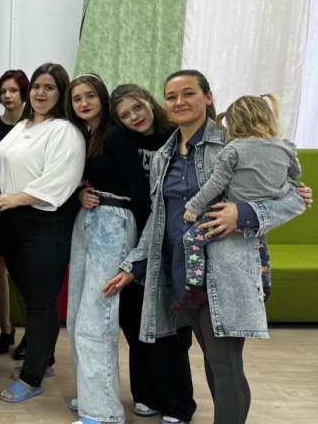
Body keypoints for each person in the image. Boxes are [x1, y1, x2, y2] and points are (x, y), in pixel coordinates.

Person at [104, 70, 309, 424]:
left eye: (189, 93)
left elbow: (295, 198)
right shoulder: (164, 154)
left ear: (208, 97)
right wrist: (134, 264)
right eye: (171, 96)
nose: (179, 102)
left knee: (224, 364)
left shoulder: (235, 142)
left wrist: (243, 213)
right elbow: (159, 217)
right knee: (214, 363)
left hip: (227, 271)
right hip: (182, 274)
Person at [0, 63, 86, 404]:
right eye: (37, 87)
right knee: (31, 298)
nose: (41, 93)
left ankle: (32, 378)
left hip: (43, 224)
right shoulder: (23, 125)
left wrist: (17, 198)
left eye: (50, 87)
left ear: (61, 93)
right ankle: (45, 361)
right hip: (12, 222)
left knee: (42, 303)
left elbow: (61, 180)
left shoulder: (65, 131)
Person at [64, 73, 149, 424]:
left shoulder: (116, 135)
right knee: (75, 315)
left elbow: (140, 192)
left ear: (102, 97)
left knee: (96, 318)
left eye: (90, 96)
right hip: (88, 220)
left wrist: (140, 251)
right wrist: (81, 193)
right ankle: (92, 393)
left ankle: (103, 413)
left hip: (114, 223)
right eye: (77, 98)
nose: (83, 103)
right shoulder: (87, 136)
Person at [107, 83, 195, 424]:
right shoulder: (121, 141)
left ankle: (178, 404)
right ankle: (145, 394)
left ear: (149, 101)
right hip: (134, 240)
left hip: (172, 241)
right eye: (125, 115)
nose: (134, 117)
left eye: (137, 108)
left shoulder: (175, 136)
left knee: (170, 329)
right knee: (134, 322)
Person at [174, 94, 298, 312]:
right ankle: (265, 285)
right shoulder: (286, 147)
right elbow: (295, 175)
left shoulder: (233, 150)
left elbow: (215, 184)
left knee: (191, 239)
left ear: (234, 123)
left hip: (231, 214)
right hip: (261, 216)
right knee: (260, 244)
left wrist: (194, 206)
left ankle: (194, 289)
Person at [0, 69, 30, 359]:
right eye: (3, 91)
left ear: (24, 93)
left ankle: (31, 332)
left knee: (21, 275)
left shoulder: (35, 126)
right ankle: (6, 329)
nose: (8, 95)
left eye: (13, 90)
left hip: (24, 207)